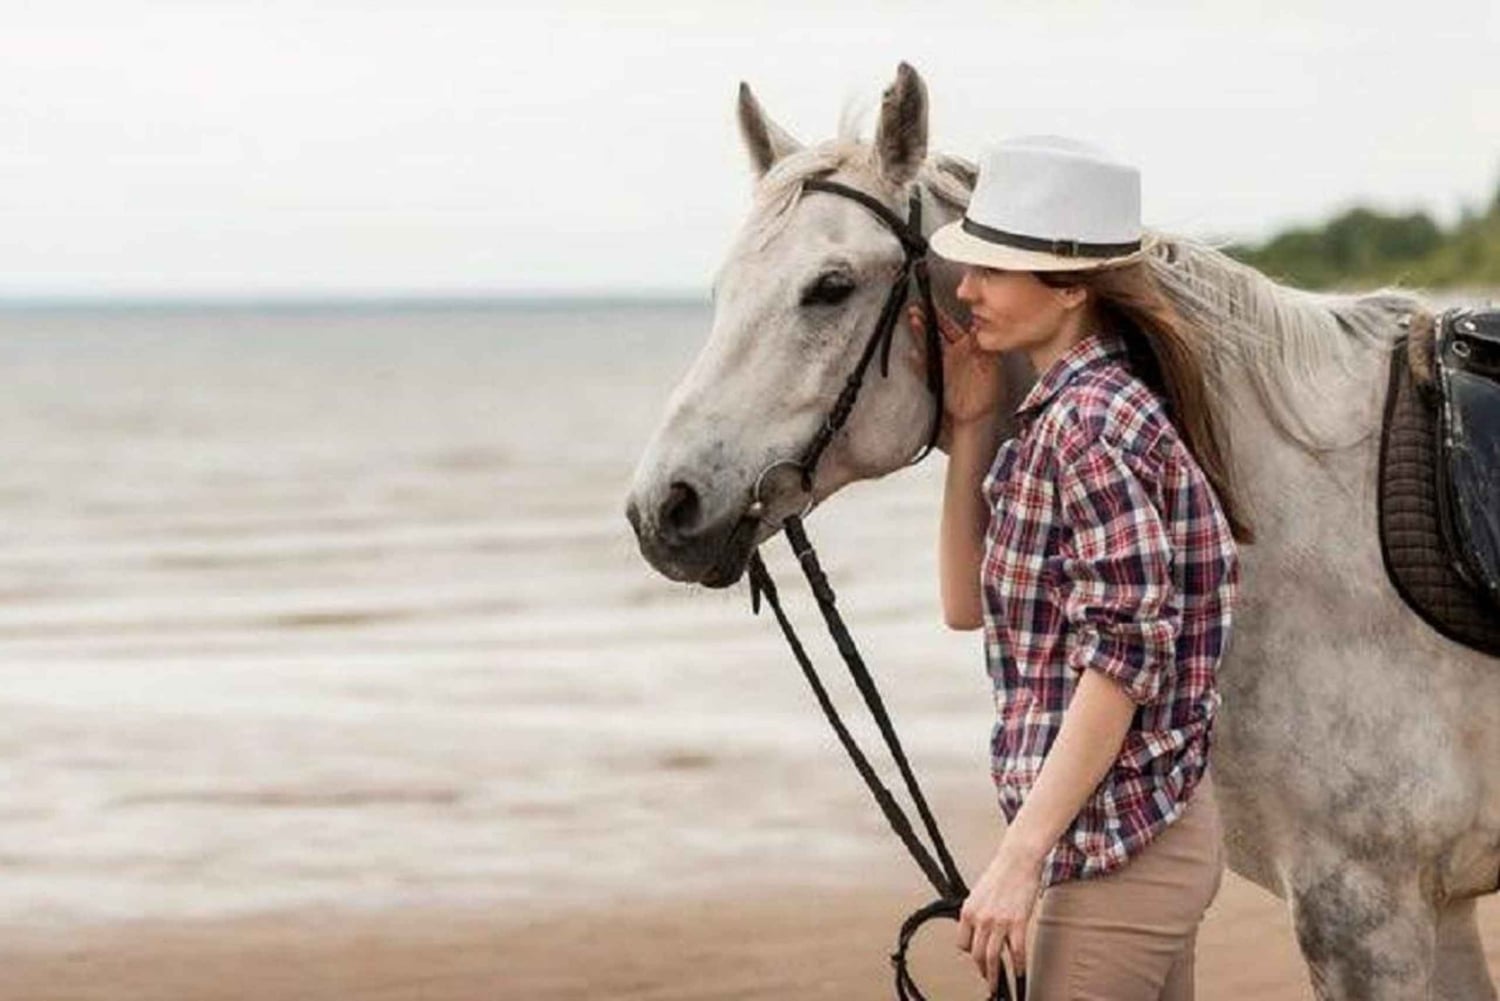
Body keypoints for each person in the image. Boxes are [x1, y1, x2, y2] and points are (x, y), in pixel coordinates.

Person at [904, 135, 1251, 1000]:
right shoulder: (1065, 415)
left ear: (1069, 288)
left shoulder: (1089, 426)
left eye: (993, 269)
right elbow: (961, 603)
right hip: (1112, 836)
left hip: (1124, 850)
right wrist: (973, 419)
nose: (968, 289)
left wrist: (1017, 862)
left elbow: (1126, 658)